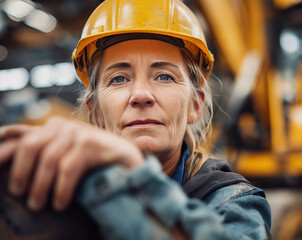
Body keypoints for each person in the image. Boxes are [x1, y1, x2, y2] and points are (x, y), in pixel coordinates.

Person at [0, 0, 271, 239]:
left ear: (195, 105)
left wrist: (136, 182)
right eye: (119, 79)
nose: (141, 95)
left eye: (164, 76)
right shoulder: (59, 197)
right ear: (96, 112)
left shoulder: (234, 202)